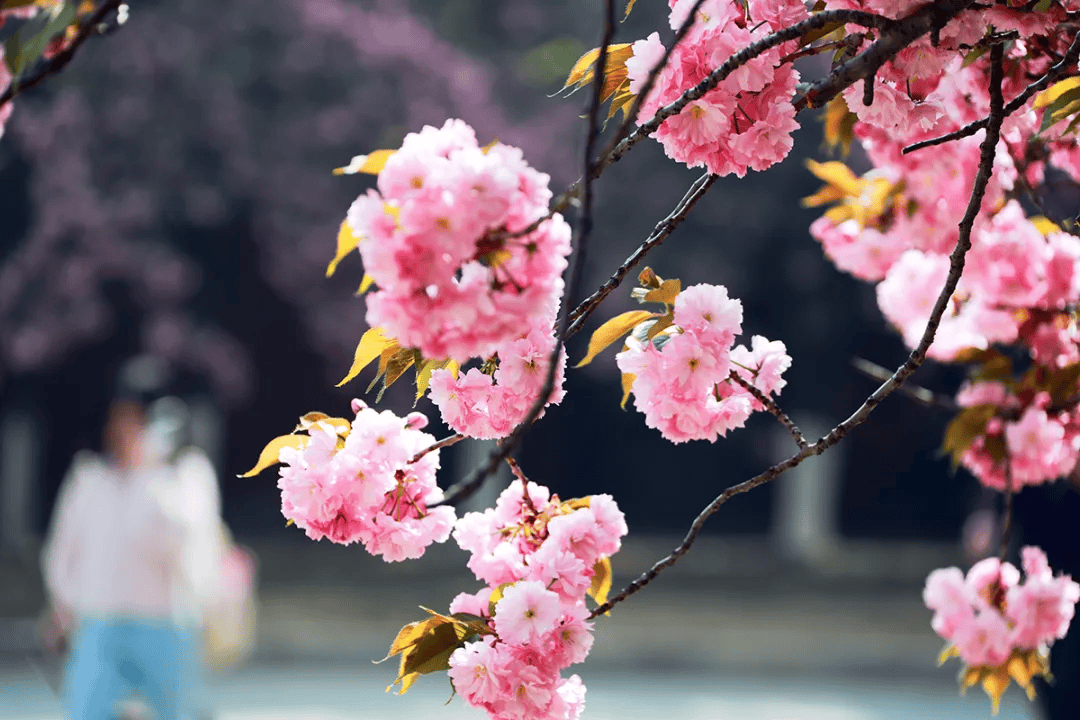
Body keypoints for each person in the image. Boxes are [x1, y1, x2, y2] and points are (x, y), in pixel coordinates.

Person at [41, 357, 225, 720]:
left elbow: (184, 543)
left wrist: (151, 475)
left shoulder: (186, 476)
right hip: (99, 624)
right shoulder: (90, 477)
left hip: (166, 625)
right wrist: (66, 602)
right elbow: (63, 550)